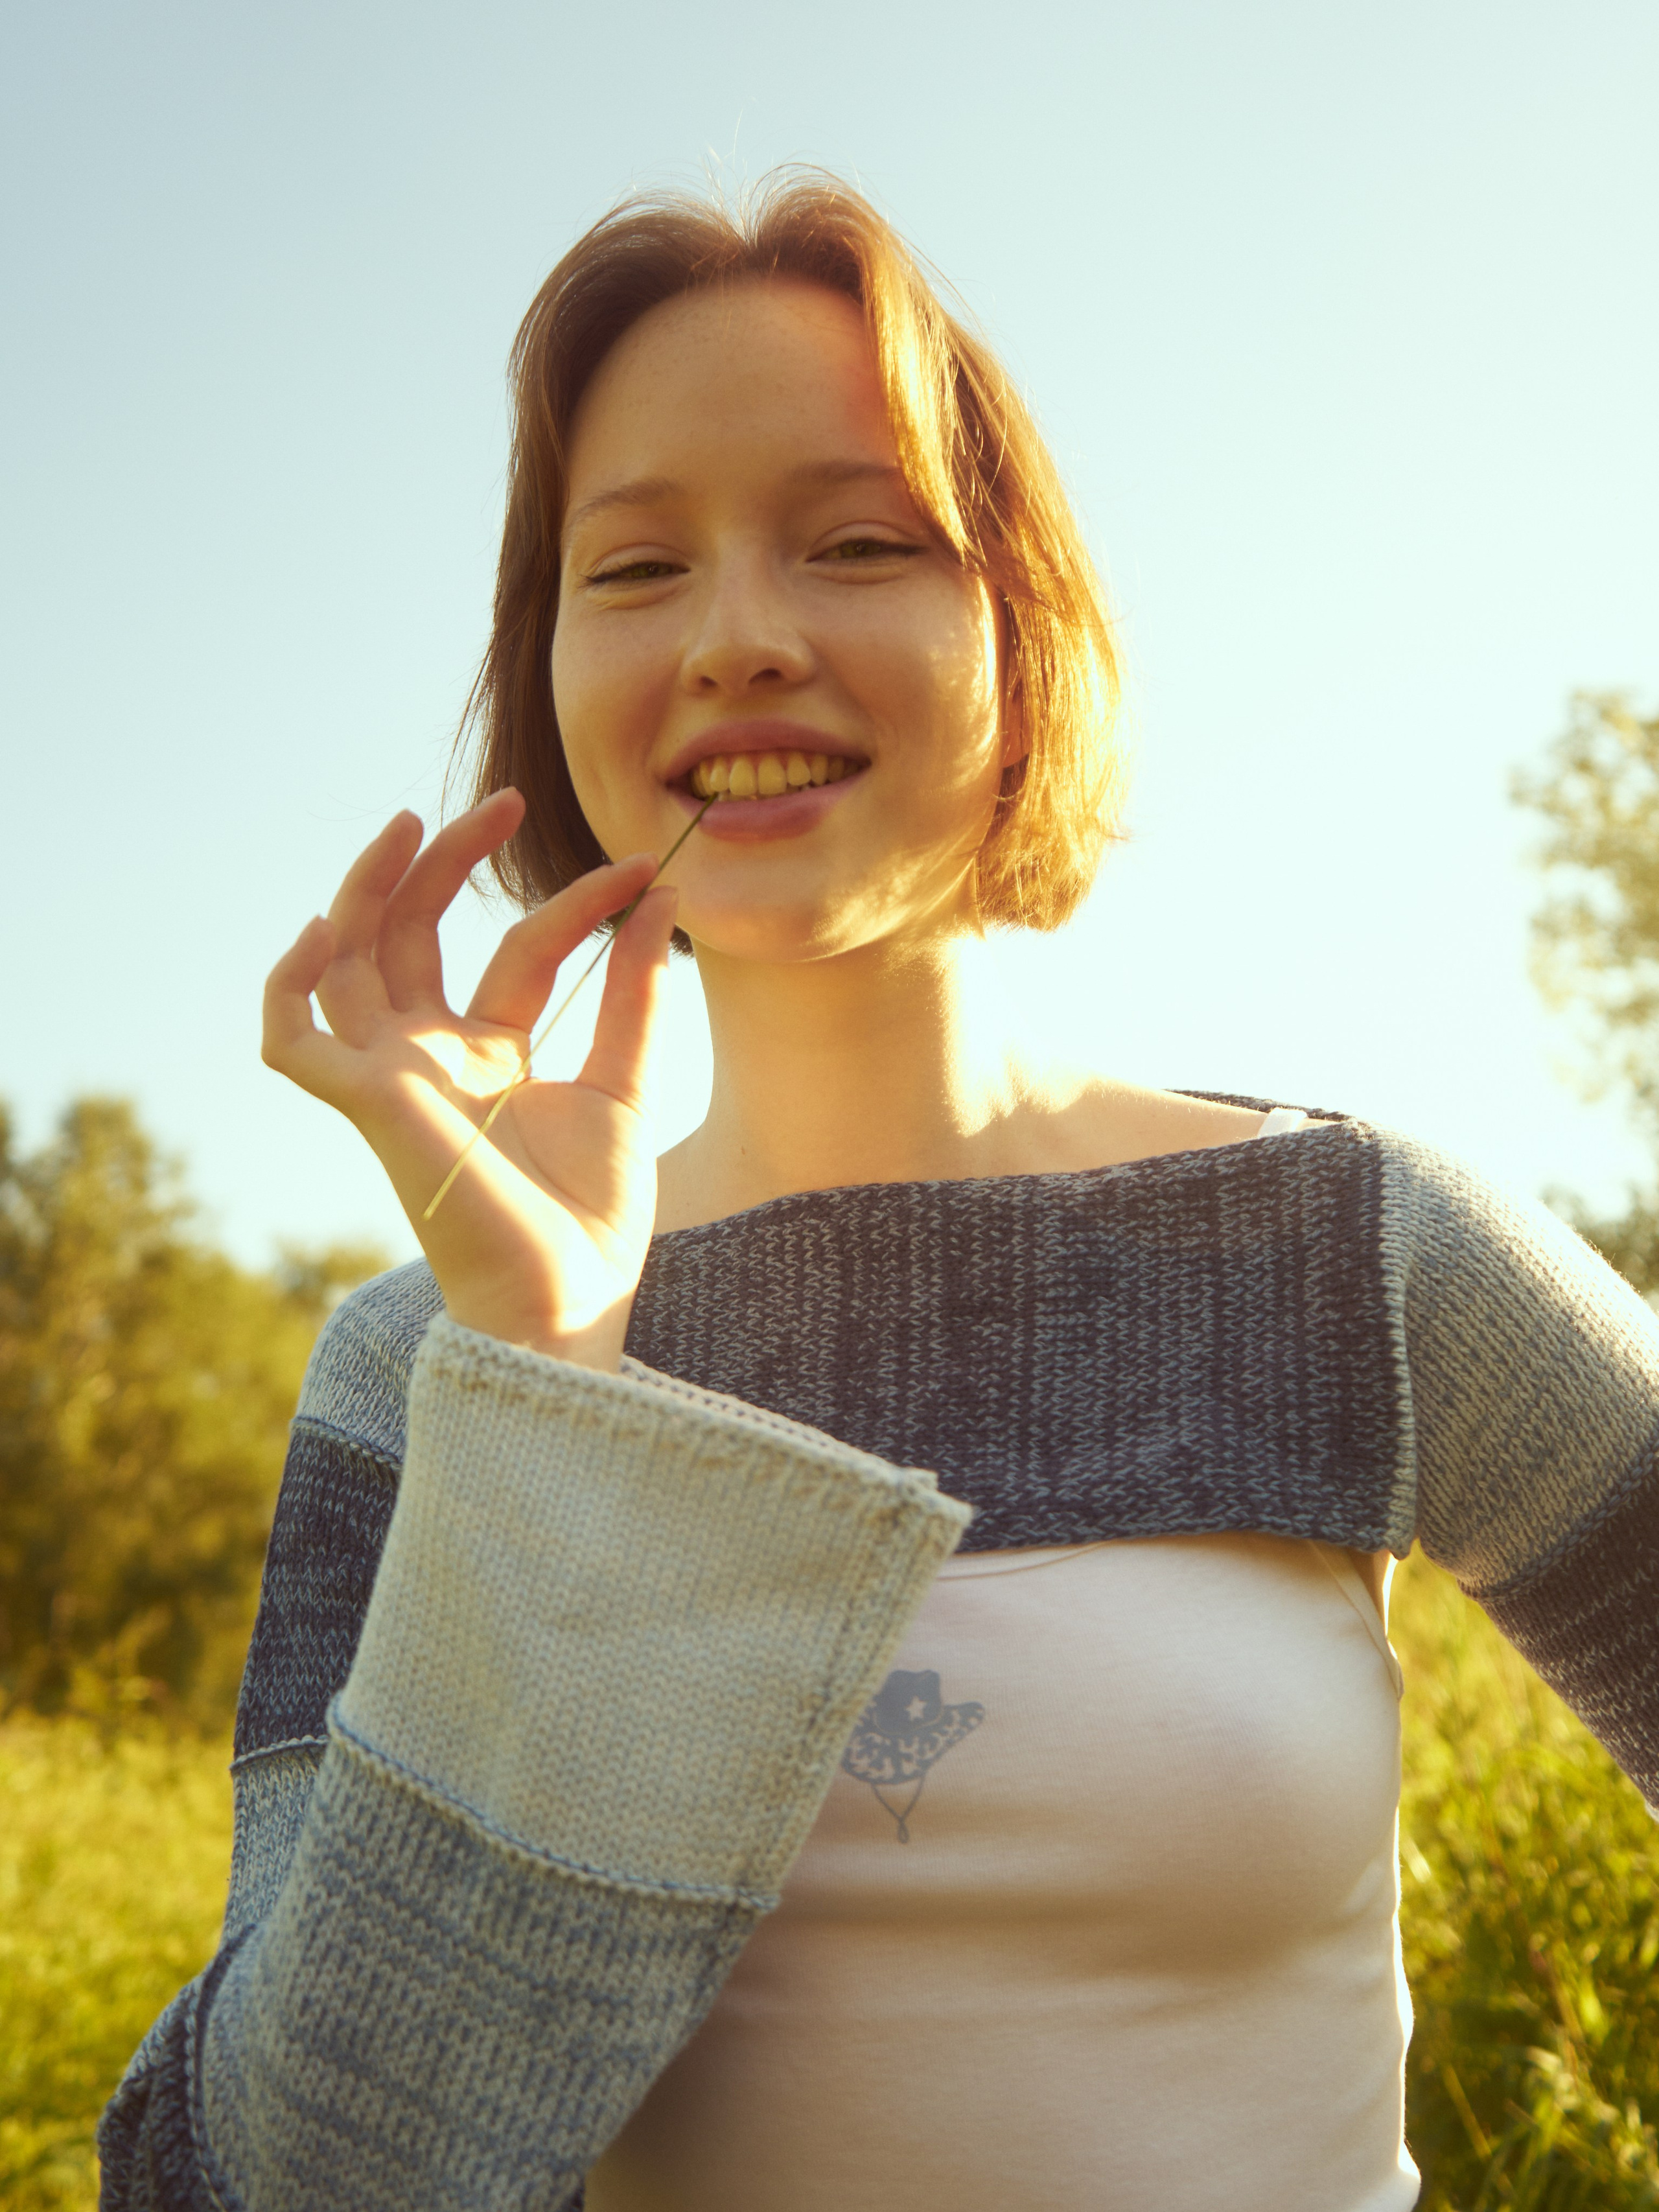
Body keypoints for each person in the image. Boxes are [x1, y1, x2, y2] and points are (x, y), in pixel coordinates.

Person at [100, 172, 1659, 2212]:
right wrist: (554, 1385)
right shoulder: (427, 1368)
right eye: (636, 567)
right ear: (550, 673)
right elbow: (275, 2188)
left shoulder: (1348, 1248)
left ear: (1021, 630)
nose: (741, 639)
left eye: (855, 544)